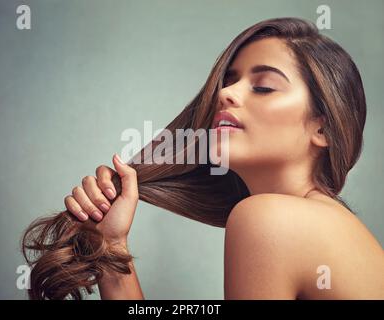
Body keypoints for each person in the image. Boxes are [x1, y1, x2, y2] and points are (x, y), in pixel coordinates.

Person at [22, 17, 384, 300]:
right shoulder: (321, 220)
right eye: (230, 80)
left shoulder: (270, 219)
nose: (226, 93)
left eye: (263, 87)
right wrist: (112, 248)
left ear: (322, 129)